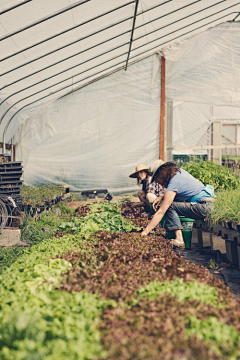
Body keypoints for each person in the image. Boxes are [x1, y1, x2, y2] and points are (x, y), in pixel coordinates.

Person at [141, 160, 216, 247]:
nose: (156, 182)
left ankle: (179, 239)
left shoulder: (174, 182)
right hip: (209, 205)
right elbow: (179, 193)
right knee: (171, 204)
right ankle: (179, 238)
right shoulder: (179, 173)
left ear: (161, 173)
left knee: (169, 206)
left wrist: (145, 232)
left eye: (156, 179)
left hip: (205, 207)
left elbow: (161, 211)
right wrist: (162, 196)